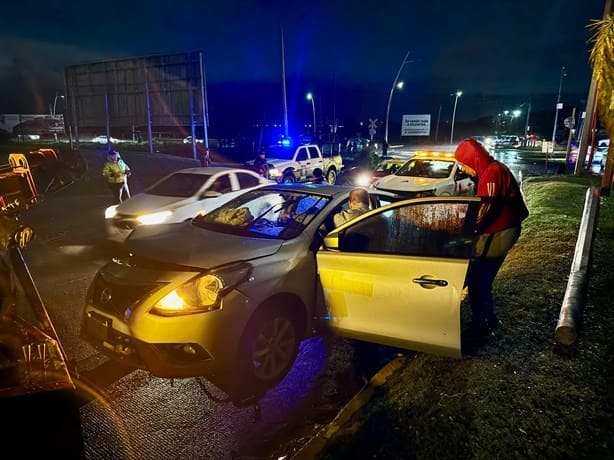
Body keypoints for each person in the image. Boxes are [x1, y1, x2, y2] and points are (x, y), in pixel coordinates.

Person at [454, 138, 529, 340]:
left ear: (472, 160)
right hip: (502, 229)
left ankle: (482, 327)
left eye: (463, 164)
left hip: (500, 232)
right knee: (481, 279)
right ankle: (487, 320)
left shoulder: (492, 174)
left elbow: (486, 210)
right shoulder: (491, 170)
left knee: (479, 280)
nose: (462, 169)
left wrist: (463, 229)